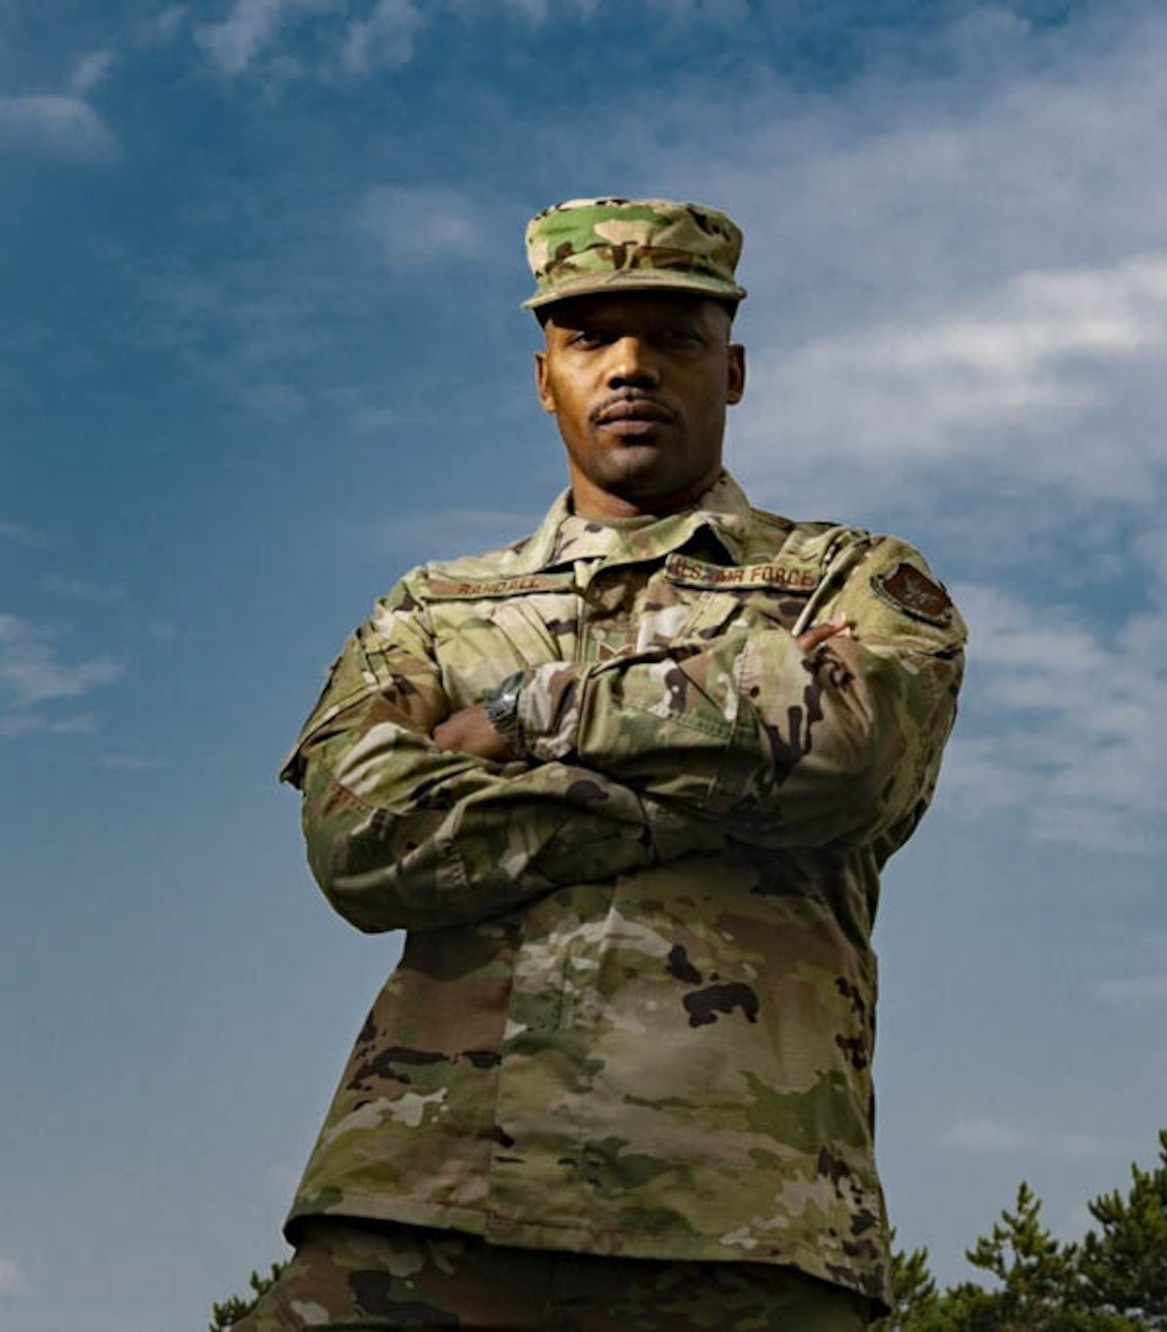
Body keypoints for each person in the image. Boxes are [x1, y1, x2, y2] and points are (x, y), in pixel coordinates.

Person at [237, 198, 966, 1331]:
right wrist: (704, 788)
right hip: (422, 1208)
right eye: (590, 338)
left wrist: (532, 711)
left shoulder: (848, 580)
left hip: (740, 1220)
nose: (629, 367)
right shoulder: (432, 608)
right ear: (544, 377)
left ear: (730, 371)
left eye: (671, 337)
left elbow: (849, 759)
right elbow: (359, 838)